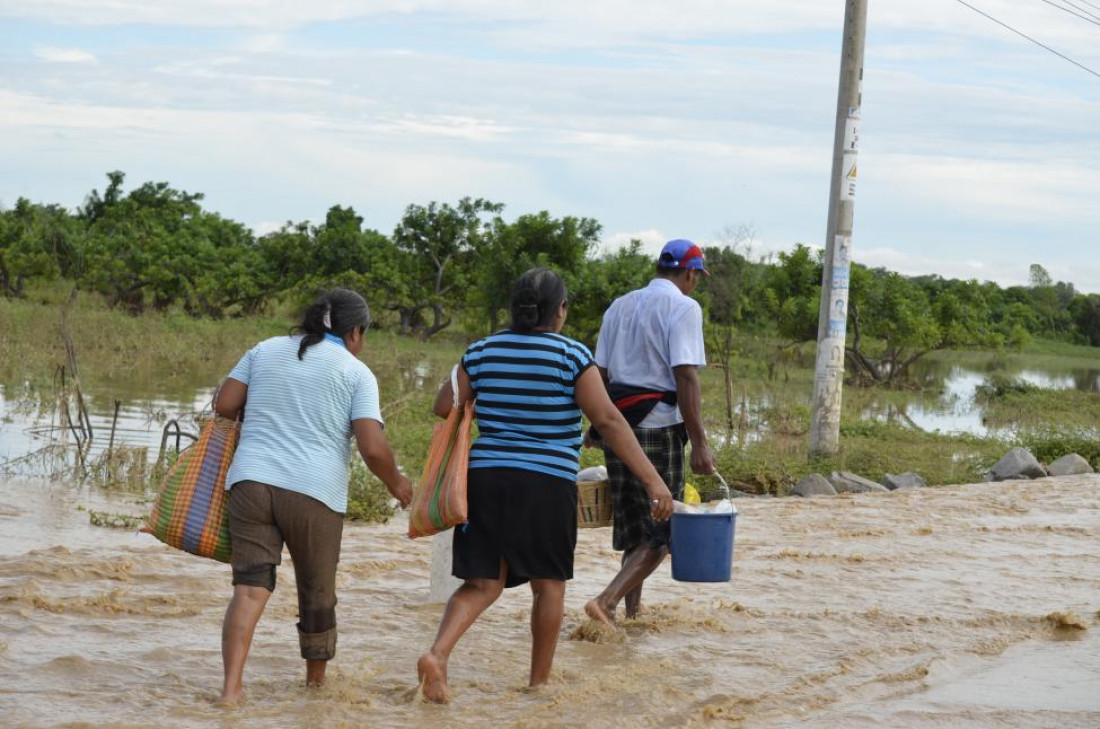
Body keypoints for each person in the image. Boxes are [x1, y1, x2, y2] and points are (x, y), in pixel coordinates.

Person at [416, 267, 673, 703]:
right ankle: (538, 686)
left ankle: (438, 655)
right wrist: (654, 482)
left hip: (486, 479)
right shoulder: (572, 356)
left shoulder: (480, 351)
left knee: (482, 584)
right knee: (548, 585)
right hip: (546, 483)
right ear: (561, 311)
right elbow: (608, 420)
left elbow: (446, 405)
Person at [213, 288, 413, 705]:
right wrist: (398, 484)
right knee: (317, 592)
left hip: (249, 483)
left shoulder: (265, 350)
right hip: (313, 492)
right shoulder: (356, 372)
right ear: (355, 332)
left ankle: (231, 690)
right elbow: (373, 448)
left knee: (248, 590)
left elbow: (226, 403)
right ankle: (315, 688)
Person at [584, 239, 718, 628]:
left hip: (617, 429)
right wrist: (700, 444)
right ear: (690, 273)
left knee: (634, 530)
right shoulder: (683, 307)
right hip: (658, 429)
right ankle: (607, 602)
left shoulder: (619, 305)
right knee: (661, 532)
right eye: (697, 277)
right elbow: (686, 376)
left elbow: (601, 375)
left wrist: (594, 426)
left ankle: (631, 615)